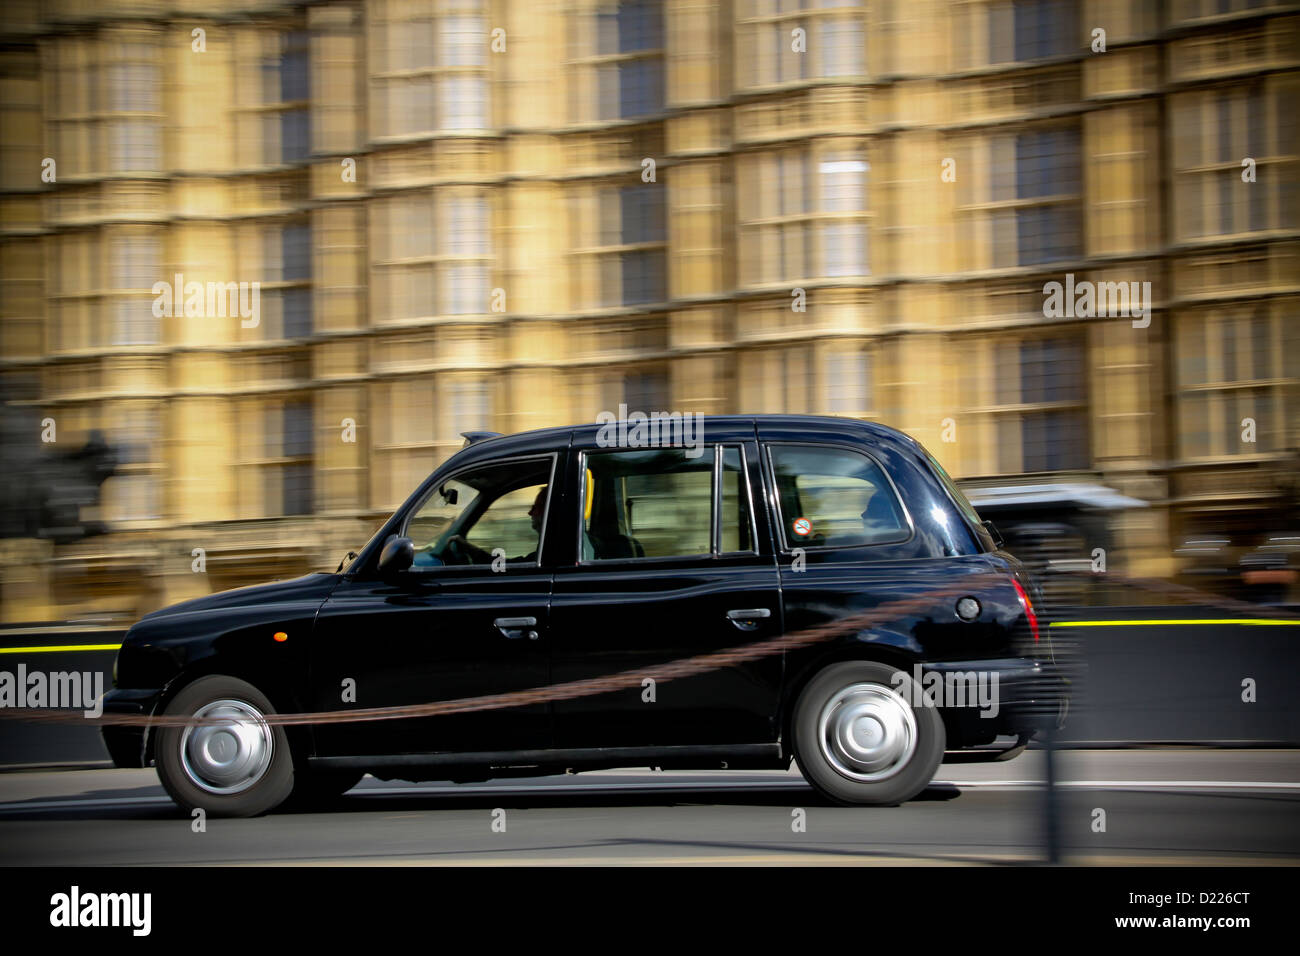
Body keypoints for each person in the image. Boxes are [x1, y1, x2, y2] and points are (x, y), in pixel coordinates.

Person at [446, 486, 547, 565]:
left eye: (536, 507)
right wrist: (472, 550)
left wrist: (472, 551)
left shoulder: (550, 553)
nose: (530, 512)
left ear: (547, 511)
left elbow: (508, 569)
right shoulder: (546, 552)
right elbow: (511, 566)